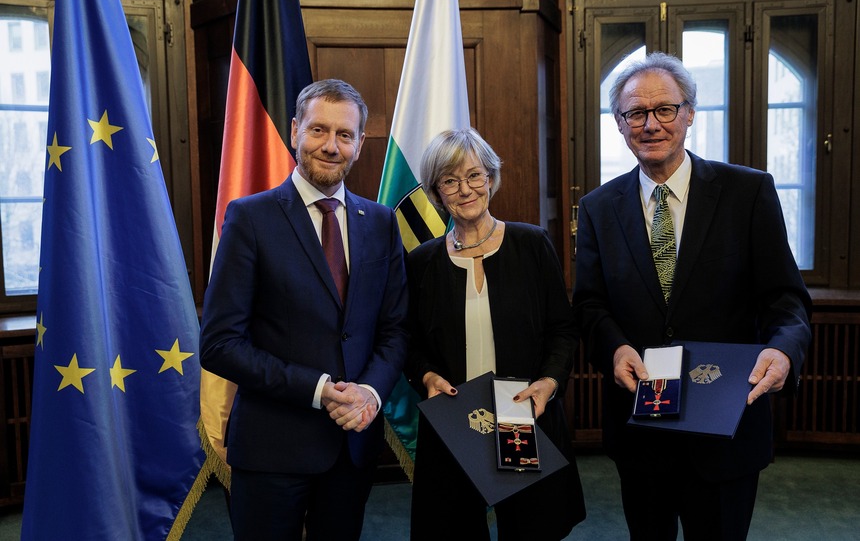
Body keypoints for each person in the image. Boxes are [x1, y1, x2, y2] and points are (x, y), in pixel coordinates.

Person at [573, 52, 812, 541]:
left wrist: (783, 350)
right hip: (642, 427)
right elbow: (590, 305)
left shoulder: (748, 192)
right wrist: (614, 347)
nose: (651, 124)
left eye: (665, 109)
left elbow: (785, 300)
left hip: (726, 429)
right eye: (635, 113)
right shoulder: (598, 208)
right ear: (620, 124)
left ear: (689, 113)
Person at [199, 78, 409, 541]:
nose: (330, 146)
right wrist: (317, 389)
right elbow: (219, 345)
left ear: (359, 143)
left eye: (344, 135)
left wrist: (370, 394)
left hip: (351, 444)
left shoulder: (379, 222)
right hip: (272, 447)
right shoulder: (250, 218)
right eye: (318, 130)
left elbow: (395, 330)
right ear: (295, 130)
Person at [404, 127, 586, 541]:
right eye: (450, 180)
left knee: (529, 528)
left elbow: (563, 329)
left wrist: (549, 381)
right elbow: (408, 342)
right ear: (437, 192)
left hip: (521, 415)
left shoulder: (532, 244)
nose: (465, 189)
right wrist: (426, 376)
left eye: (474, 175)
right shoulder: (421, 262)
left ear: (491, 177)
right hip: (456, 421)